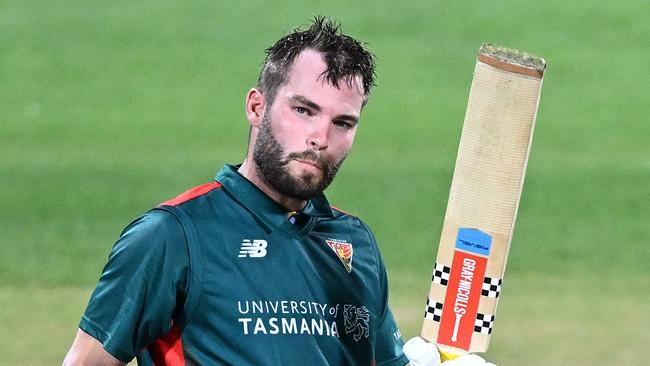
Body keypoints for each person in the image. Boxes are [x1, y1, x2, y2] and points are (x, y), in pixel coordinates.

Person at [64, 17, 496, 366]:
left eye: (342, 123)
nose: (320, 137)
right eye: (304, 110)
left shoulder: (355, 243)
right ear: (257, 106)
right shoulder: (173, 235)